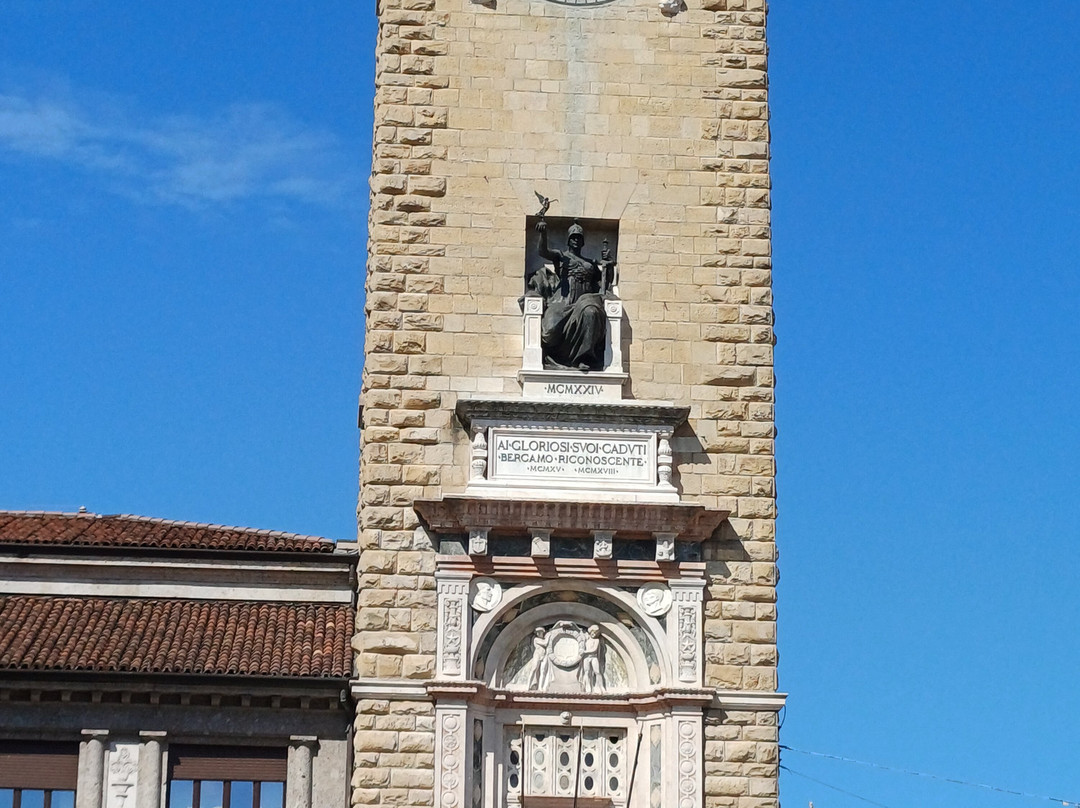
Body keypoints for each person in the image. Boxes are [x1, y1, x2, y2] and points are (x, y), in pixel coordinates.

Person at [531, 220, 608, 371]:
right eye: (573, 237)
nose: (576, 240)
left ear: (583, 242)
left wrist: (608, 265)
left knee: (591, 312)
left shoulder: (591, 263)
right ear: (568, 240)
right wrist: (543, 233)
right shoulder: (561, 256)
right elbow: (543, 251)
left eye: (579, 238)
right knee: (549, 331)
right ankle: (556, 355)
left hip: (585, 300)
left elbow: (604, 283)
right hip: (563, 301)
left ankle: (583, 357)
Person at [579, 625, 602, 694]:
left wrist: (585, 652)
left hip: (593, 657)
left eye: (595, 633)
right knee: (586, 672)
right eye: (593, 632)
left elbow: (594, 649)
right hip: (586, 658)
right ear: (590, 632)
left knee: (597, 672)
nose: (594, 634)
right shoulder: (586, 640)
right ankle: (587, 687)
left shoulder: (597, 640)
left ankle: (600, 687)